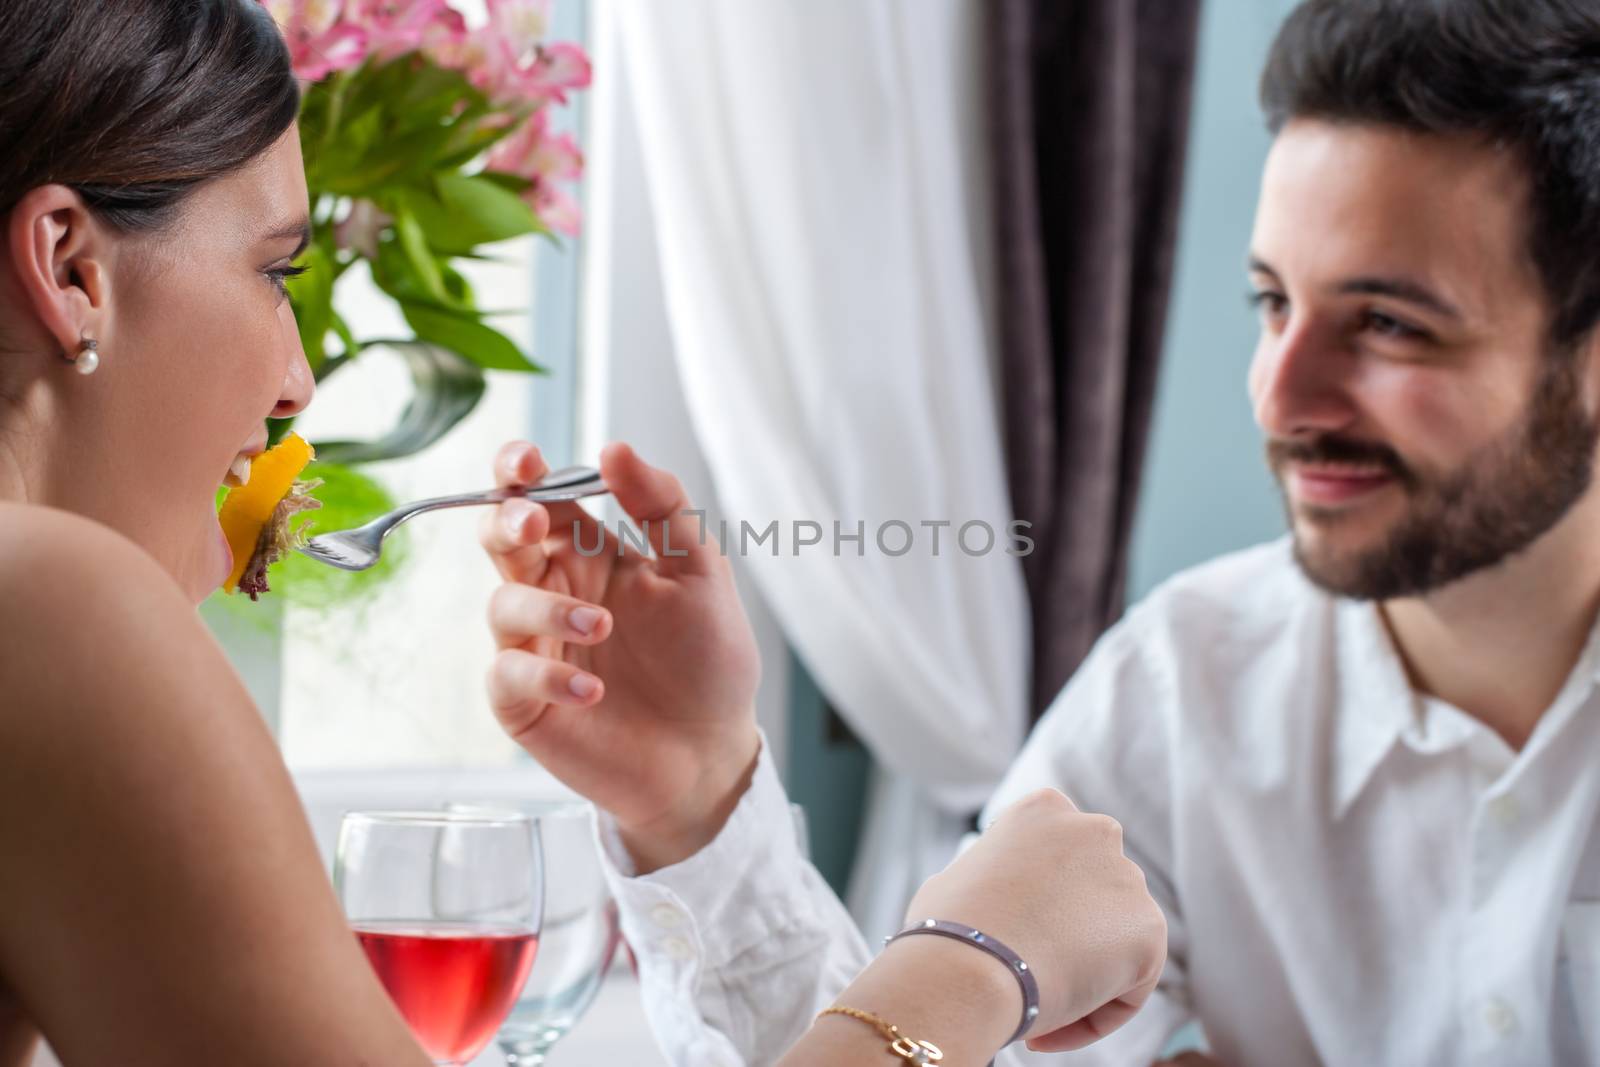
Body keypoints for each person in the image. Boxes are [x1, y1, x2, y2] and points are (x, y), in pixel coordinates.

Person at [0, 2, 1165, 1064]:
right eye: (276, 270)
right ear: (69, 267)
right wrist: (976, 955)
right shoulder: (58, 609)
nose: (299, 380)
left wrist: (694, 796)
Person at [479, 0, 1600, 1064]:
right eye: (1271, 302)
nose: (1279, 393)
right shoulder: (1181, 689)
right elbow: (915, 1037)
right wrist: (693, 800)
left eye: (1390, 325)